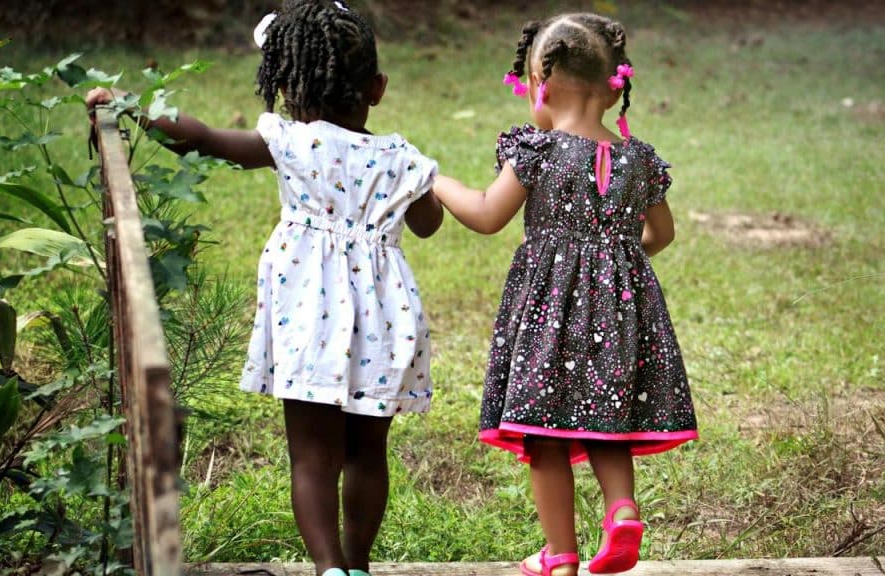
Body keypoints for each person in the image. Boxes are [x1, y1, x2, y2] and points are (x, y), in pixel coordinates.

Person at [87, 2, 443, 575]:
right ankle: (358, 564)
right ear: (377, 88)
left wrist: (132, 106)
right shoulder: (400, 158)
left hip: (309, 317)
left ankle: (329, 569)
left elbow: (200, 139)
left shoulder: (291, 143)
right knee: (367, 454)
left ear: (285, 86)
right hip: (383, 321)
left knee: (312, 457)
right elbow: (428, 223)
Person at [431, 12, 698, 576]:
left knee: (544, 436)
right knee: (606, 418)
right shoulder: (640, 159)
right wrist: (615, 262)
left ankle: (560, 555)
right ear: (612, 86)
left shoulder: (538, 151)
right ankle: (621, 510)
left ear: (540, 85)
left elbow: (485, 215)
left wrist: (435, 180)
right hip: (619, 316)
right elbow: (662, 235)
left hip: (549, 321)